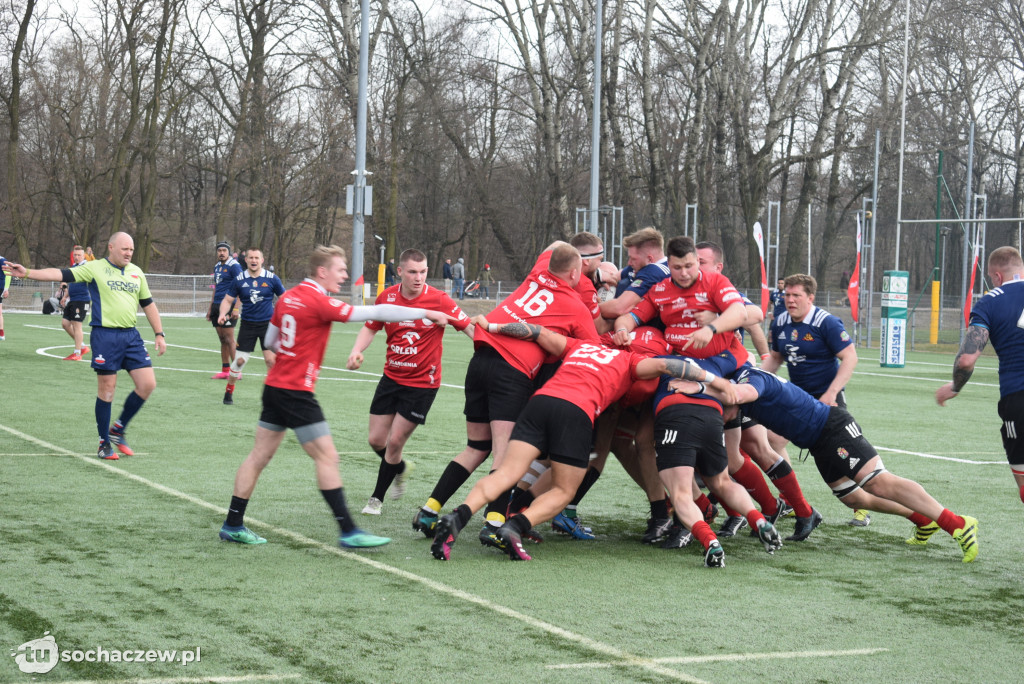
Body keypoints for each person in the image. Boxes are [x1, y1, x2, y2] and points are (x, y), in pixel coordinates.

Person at [430, 317, 738, 562]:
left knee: (508, 473)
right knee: (564, 489)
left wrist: (492, 326)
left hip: (540, 402)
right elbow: (664, 365)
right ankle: (515, 527)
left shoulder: (580, 347)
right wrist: (713, 380)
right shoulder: (629, 362)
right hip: (575, 412)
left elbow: (535, 331)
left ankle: (459, 516)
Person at [217, 245, 453, 549]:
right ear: (322, 271)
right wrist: (425, 311)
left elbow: (272, 341)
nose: (344, 276)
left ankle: (233, 524)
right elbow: (375, 312)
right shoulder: (319, 301)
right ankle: (349, 531)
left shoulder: (287, 297)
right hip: (296, 393)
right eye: (341, 270)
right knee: (328, 457)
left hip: (274, 388)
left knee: (258, 457)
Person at [412, 243, 599, 548]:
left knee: (476, 446)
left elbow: (553, 249)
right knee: (506, 454)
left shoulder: (537, 274)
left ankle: (429, 510)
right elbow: (591, 350)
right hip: (511, 371)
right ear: (576, 273)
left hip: (480, 359)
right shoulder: (577, 306)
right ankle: (494, 524)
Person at [689, 365, 979, 563]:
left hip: (832, 427)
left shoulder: (750, 381)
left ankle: (957, 524)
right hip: (818, 442)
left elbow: (742, 395)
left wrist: (698, 384)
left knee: (878, 480)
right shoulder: (738, 392)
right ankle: (922, 519)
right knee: (854, 496)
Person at [4, 232, 167, 459]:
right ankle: (103, 443)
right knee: (107, 390)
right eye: (124, 249)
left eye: (131, 249)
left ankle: (118, 430)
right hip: (105, 336)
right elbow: (60, 273)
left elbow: (148, 304)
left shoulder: (136, 273)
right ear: (111, 247)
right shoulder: (95, 268)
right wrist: (28, 272)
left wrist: (159, 333)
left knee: (148, 384)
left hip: (131, 336)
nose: (129, 253)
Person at [346, 248, 473, 515]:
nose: (419, 277)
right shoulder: (387, 297)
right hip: (391, 377)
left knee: (394, 442)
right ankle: (400, 468)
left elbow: (468, 328)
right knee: (376, 440)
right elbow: (370, 326)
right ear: (401, 272)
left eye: (424, 271)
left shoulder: (439, 300)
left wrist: (494, 350)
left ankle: (375, 500)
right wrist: (357, 351)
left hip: (422, 384)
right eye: (413, 272)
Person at [760, 273, 868, 527]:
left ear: (810, 297)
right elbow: (776, 357)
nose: (790, 300)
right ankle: (789, 498)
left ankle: (862, 505)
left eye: (796, 295)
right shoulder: (781, 322)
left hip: (827, 400)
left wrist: (831, 393)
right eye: (787, 294)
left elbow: (850, 357)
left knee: (842, 455)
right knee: (771, 438)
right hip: (797, 398)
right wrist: (756, 379)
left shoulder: (826, 323)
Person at [937, 246, 1024, 513]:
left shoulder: (991, 300)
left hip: (1018, 396)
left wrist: (955, 386)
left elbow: (967, 359)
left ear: (997, 276)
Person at [218, 248, 285, 405]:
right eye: (251, 258)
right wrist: (222, 314)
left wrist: (285, 316)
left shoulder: (272, 278)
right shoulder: (239, 279)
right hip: (247, 325)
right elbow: (228, 300)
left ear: (262, 260)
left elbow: (284, 298)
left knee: (271, 361)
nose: (254, 260)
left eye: (257, 258)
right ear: (246, 260)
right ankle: (229, 391)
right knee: (240, 361)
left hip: (268, 325)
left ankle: (275, 396)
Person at [598, 226, 670, 320]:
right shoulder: (640, 265)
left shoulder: (655, 272)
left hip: (651, 329)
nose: (629, 262)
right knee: (624, 282)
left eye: (633, 259)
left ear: (650, 259)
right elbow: (614, 278)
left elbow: (620, 308)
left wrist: (588, 309)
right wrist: (598, 277)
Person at [208, 241, 243, 379]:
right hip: (217, 306)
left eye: (224, 250)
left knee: (229, 338)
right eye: (219, 250)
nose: (221, 253)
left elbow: (242, 286)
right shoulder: (217, 266)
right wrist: (211, 307)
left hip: (228, 306)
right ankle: (225, 370)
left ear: (229, 252)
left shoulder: (234, 266)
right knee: (222, 339)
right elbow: (216, 287)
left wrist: (236, 308)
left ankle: (236, 372)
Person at [59, 245, 92, 360]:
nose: (77, 257)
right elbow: (71, 284)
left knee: (77, 325)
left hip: (82, 300)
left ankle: (77, 353)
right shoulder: (74, 266)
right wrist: (65, 296)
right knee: (65, 324)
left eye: (79, 255)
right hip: (73, 300)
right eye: (75, 255)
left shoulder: (86, 267)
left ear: (84, 256)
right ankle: (82, 347)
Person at [0, 253, 9, 340]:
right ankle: (1, 334)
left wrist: (6, 289)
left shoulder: (2, 260)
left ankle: (1, 333)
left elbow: (8, 273)